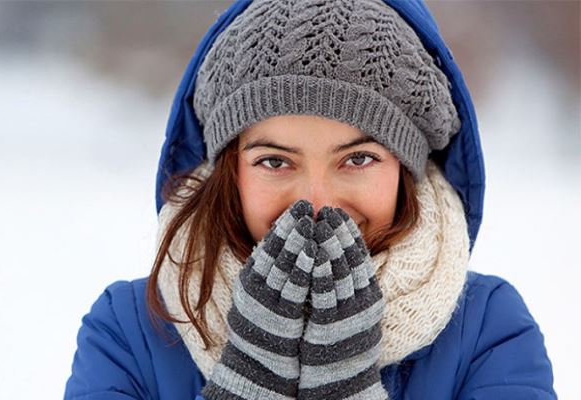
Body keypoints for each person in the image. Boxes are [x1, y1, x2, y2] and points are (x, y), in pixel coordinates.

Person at [64, 0, 556, 399]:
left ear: (406, 170)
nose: (317, 203)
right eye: (275, 162)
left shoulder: (488, 331)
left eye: (358, 159)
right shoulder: (129, 331)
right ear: (228, 172)